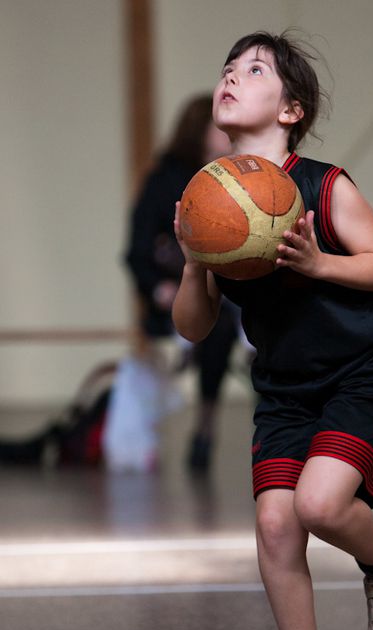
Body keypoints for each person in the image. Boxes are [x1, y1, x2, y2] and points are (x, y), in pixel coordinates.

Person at [172, 31, 373, 630]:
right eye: (226, 67)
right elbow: (193, 326)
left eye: (253, 70)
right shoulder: (210, 196)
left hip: (361, 373)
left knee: (317, 504)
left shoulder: (324, 184)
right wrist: (196, 260)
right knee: (276, 521)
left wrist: (317, 264)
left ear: (291, 109)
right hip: (284, 386)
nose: (231, 77)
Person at [124, 94, 238, 470]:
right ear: (199, 131)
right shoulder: (163, 181)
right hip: (177, 295)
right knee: (217, 324)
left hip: (233, 293)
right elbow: (138, 252)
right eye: (220, 128)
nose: (230, 135)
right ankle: (205, 426)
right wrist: (160, 289)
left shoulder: (237, 178)